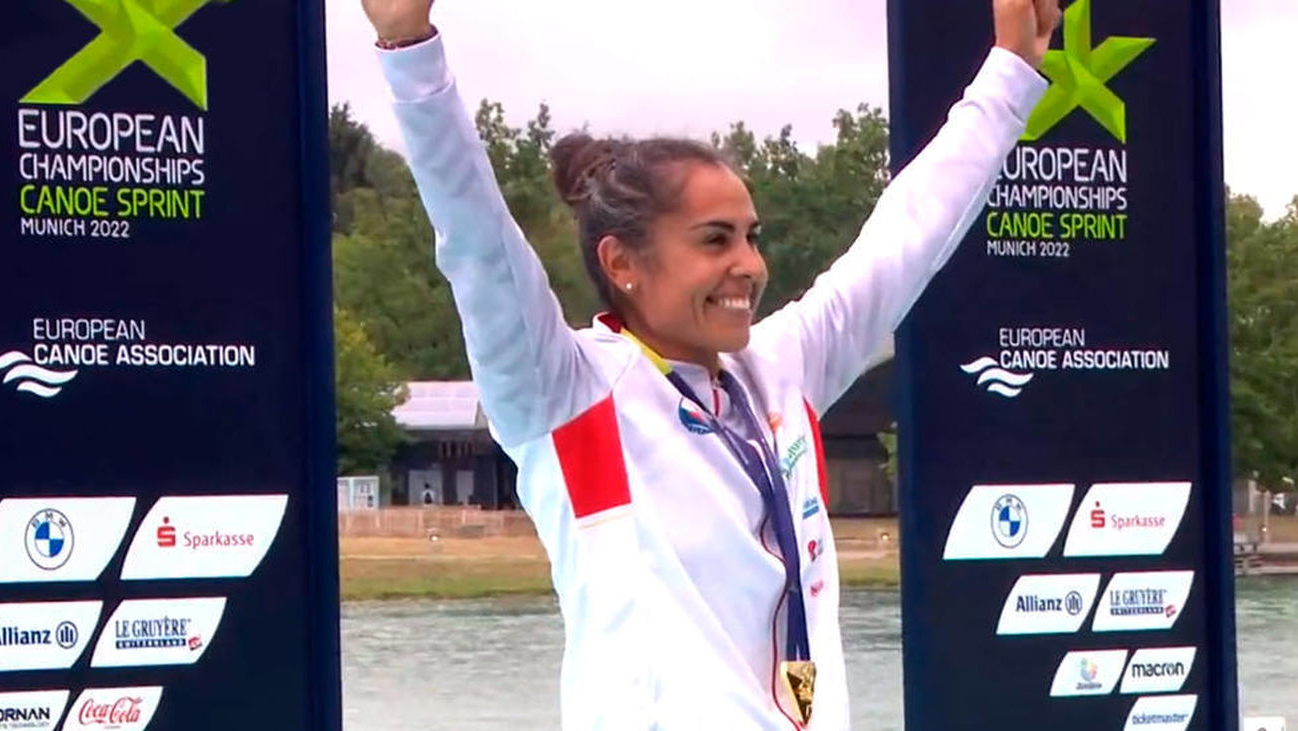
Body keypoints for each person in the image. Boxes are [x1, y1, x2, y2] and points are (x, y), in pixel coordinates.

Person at [358, 1, 1058, 727]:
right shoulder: (566, 394)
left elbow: (907, 235)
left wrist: (1010, 70)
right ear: (621, 263)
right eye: (716, 241)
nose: (750, 266)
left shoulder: (777, 371)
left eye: (752, 237)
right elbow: (476, 242)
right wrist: (410, 50)